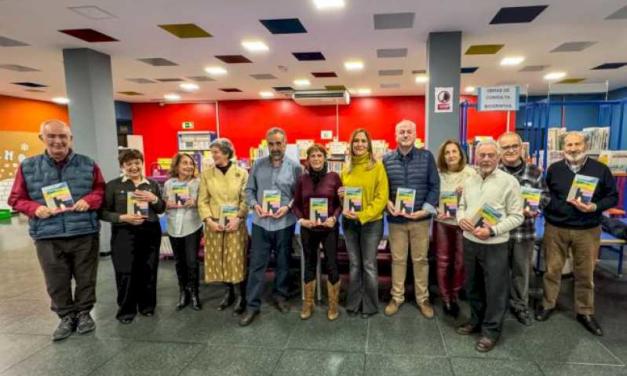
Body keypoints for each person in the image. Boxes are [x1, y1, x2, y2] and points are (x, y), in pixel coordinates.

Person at [8, 119, 105, 341]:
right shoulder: (28, 166)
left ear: (70, 138)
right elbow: (16, 198)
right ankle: (65, 316)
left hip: (83, 231)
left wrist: (90, 200)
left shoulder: (88, 164)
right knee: (56, 280)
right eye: (51, 136)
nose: (58, 141)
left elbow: (100, 190)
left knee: (86, 277)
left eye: (63, 136)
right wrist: (35, 208)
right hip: (47, 235)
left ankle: (84, 314)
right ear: (42, 138)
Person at [535, 131, 618, 336]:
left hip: (588, 230)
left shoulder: (600, 169)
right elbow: (545, 195)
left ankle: (585, 312)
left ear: (586, 146)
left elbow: (612, 197)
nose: (573, 149)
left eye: (577, 144)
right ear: (563, 148)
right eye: (569, 145)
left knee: (585, 273)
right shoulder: (554, 169)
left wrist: (594, 207)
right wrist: (557, 208)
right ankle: (548, 304)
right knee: (552, 270)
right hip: (556, 228)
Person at [456, 140, 523, 352]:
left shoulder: (509, 182)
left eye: (490, 155)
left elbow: (517, 216)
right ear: (475, 157)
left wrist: (492, 231)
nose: (485, 159)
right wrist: (460, 219)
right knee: (473, 286)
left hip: (495, 244)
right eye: (482, 155)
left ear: (498, 157)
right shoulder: (470, 180)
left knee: (495, 290)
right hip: (470, 241)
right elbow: (461, 206)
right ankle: (475, 321)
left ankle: (491, 331)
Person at [239, 128, 302, 326]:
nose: (275, 148)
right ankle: (252, 305)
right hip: (260, 223)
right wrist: (255, 205)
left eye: (278, 143)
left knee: (283, 262)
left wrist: (288, 207)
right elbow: (249, 190)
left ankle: (281, 296)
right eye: (271, 144)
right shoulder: (257, 165)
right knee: (257, 264)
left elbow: (298, 195)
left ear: (285, 143)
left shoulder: (295, 167)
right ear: (267, 144)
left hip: (284, 223)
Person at [382, 120, 440, 318]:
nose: (405, 135)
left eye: (409, 132)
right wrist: (387, 203)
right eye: (401, 132)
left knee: (420, 260)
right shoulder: (387, 159)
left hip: (420, 220)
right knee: (397, 260)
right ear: (395, 135)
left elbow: (435, 187)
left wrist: (425, 210)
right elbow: (382, 189)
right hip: (396, 220)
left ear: (415, 135)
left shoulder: (426, 157)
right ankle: (396, 297)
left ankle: (422, 298)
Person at [101, 149, 165, 324]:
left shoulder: (151, 184)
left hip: (150, 232)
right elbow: (103, 212)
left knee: (149, 269)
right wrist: (122, 218)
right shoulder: (113, 185)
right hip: (124, 233)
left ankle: (147, 306)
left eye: (137, 162)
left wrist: (154, 199)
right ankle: (126, 309)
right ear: (123, 166)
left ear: (141, 163)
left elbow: (161, 208)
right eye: (129, 164)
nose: (134, 167)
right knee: (125, 271)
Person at [497, 132, 549, 326]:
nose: (510, 150)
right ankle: (498, 306)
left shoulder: (535, 172)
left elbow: (545, 196)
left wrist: (536, 208)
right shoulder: (494, 171)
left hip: (523, 231)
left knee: (521, 271)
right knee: (498, 272)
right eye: (505, 147)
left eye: (514, 146)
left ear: (521, 148)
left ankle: (520, 306)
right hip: (499, 233)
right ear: (499, 150)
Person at [340, 128, 389, 319]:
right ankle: (353, 303)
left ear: (368, 144)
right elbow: (344, 199)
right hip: (349, 223)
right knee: (354, 264)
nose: (359, 144)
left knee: (368, 264)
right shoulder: (346, 168)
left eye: (363, 141)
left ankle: (369, 305)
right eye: (356, 141)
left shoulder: (377, 167)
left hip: (370, 223)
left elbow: (381, 198)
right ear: (351, 144)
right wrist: (341, 196)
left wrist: (362, 215)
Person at [198, 138, 249, 315]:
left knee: (236, 258)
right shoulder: (206, 174)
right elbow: (202, 200)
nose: (213, 156)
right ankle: (229, 293)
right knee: (220, 258)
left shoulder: (241, 173)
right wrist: (209, 220)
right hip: (215, 224)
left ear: (226, 153)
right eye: (212, 153)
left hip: (236, 223)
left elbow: (246, 199)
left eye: (216, 152)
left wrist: (239, 217)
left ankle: (242, 295)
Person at [292, 144, 342, 320]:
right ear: (308, 159)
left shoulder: (334, 177)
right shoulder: (301, 180)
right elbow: (296, 205)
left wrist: (334, 218)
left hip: (328, 228)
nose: (316, 159)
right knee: (310, 263)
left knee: (331, 264)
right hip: (309, 228)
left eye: (319, 155)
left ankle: (333, 305)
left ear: (325, 158)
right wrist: (301, 220)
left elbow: (339, 204)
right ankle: (308, 304)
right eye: (313, 156)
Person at [433, 139, 476, 318]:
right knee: (443, 261)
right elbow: (430, 198)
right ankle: (446, 298)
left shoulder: (471, 174)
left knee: (460, 261)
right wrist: (436, 210)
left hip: (461, 224)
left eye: (454, 152)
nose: (451, 155)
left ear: (460, 154)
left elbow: (478, 199)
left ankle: (455, 293)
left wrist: (466, 192)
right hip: (442, 223)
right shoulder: (437, 174)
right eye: (447, 152)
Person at [163, 153, 203, 311]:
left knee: (192, 261)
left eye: (191, 163)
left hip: (192, 225)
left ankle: (194, 293)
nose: (188, 166)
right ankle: (183, 292)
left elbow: (206, 201)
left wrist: (196, 202)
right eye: (184, 163)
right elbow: (163, 202)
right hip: (174, 226)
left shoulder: (198, 183)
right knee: (179, 261)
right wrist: (168, 204)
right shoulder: (168, 183)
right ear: (177, 166)